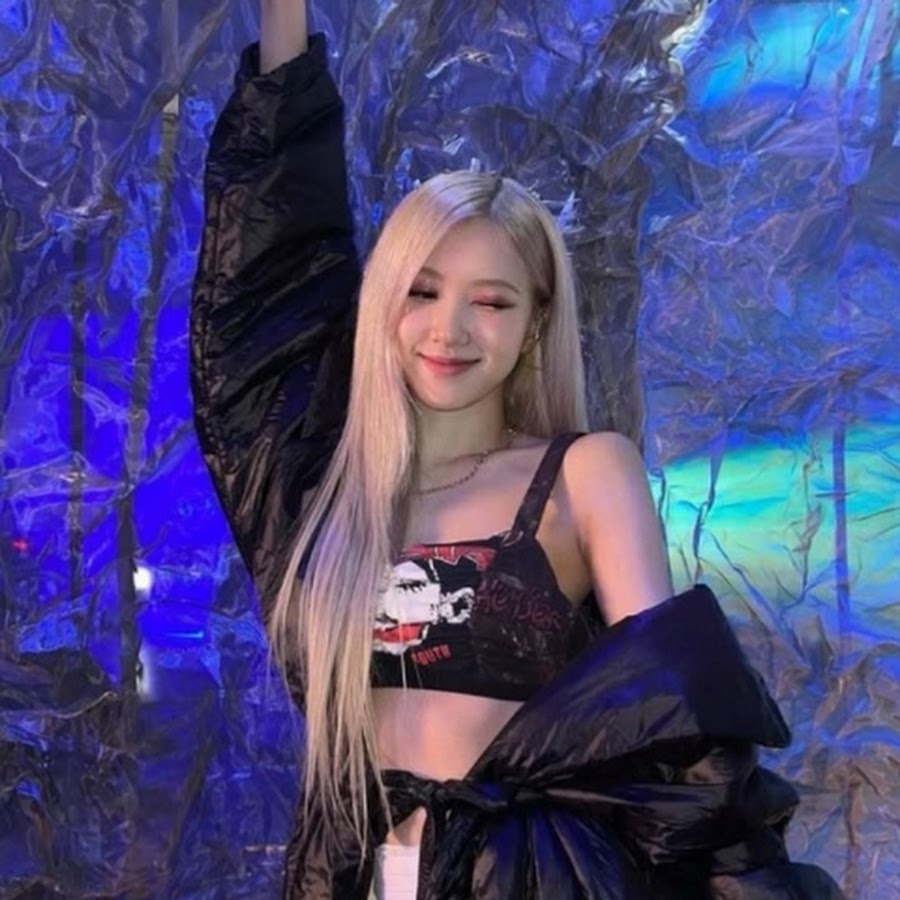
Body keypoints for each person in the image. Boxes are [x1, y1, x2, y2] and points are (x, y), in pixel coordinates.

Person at [190, 2, 845, 898]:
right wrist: (285, 24)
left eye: (492, 301)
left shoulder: (583, 472)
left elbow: (673, 721)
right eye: (423, 291)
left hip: (527, 877)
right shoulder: (326, 493)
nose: (449, 330)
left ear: (536, 320)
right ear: (384, 300)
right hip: (354, 871)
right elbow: (266, 281)